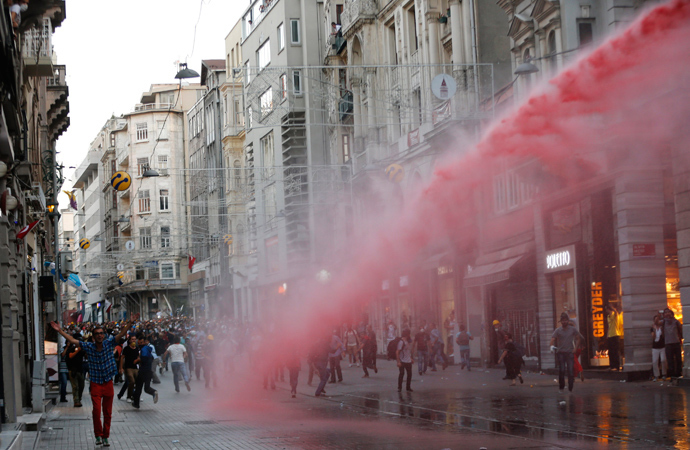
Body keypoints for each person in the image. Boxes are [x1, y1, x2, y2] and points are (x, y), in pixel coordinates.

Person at [50, 320, 132, 447]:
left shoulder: (109, 343)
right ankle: (98, 435)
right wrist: (60, 331)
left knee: (108, 412)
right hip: (95, 383)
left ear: (103, 335)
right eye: (97, 334)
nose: (100, 335)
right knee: (96, 411)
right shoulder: (89, 346)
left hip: (108, 382)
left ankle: (106, 437)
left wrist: (130, 322)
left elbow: (121, 334)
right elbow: (73, 340)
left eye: (101, 333)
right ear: (93, 337)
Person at [549, 312, 583, 393]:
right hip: (561, 353)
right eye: (562, 320)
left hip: (570, 353)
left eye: (565, 320)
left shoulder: (572, 329)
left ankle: (570, 387)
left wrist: (576, 348)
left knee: (570, 370)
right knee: (562, 370)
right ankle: (561, 386)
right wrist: (551, 346)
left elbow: (579, 338)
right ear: (561, 321)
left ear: (568, 320)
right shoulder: (558, 330)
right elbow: (552, 339)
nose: (564, 322)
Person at [132, 333, 158, 409]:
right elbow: (151, 358)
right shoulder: (148, 349)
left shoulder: (144, 349)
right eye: (139, 343)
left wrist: (138, 360)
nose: (140, 344)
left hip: (143, 371)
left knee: (138, 387)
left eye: (141, 343)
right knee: (146, 388)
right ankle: (153, 392)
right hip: (149, 371)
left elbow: (144, 359)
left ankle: (136, 403)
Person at [663, 308, 683, 378]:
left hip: (676, 342)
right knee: (670, 360)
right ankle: (672, 375)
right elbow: (656, 322)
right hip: (668, 343)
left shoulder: (676, 321)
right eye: (666, 313)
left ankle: (679, 373)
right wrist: (659, 314)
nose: (668, 314)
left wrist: (680, 338)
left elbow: (680, 329)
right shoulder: (663, 322)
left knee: (678, 359)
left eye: (669, 313)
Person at [66, 334, 86, 407]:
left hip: (80, 370)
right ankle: (76, 401)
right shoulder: (72, 349)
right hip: (73, 370)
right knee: (75, 387)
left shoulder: (82, 350)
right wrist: (77, 350)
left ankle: (79, 399)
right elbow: (70, 356)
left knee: (81, 386)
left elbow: (86, 356)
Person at [118, 335, 139, 402]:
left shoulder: (136, 349)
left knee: (138, 382)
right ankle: (129, 396)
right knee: (131, 381)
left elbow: (138, 357)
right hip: (128, 368)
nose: (134, 341)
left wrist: (138, 360)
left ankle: (136, 395)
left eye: (135, 339)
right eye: (132, 339)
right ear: (129, 340)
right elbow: (122, 357)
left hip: (135, 367)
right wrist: (121, 367)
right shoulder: (126, 348)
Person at [605, 305, 623, 371]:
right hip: (610, 335)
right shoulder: (608, 317)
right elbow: (609, 326)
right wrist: (607, 334)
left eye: (607, 309)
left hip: (615, 335)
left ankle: (617, 366)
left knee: (615, 351)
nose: (606, 311)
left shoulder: (615, 315)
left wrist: (612, 308)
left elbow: (615, 312)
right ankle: (612, 366)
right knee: (611, 352)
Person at [650, 314, 667, 381]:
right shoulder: (652, 328)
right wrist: (654, 330)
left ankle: (664, 374)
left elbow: (663, 336)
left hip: (662, 346)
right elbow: (653, 337)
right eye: (656, 320)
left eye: (658, 319)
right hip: (655, 347)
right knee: (655, 361)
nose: (657, 321)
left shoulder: (662, 327)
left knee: (663, 360)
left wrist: (661, 328)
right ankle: (656, 375)